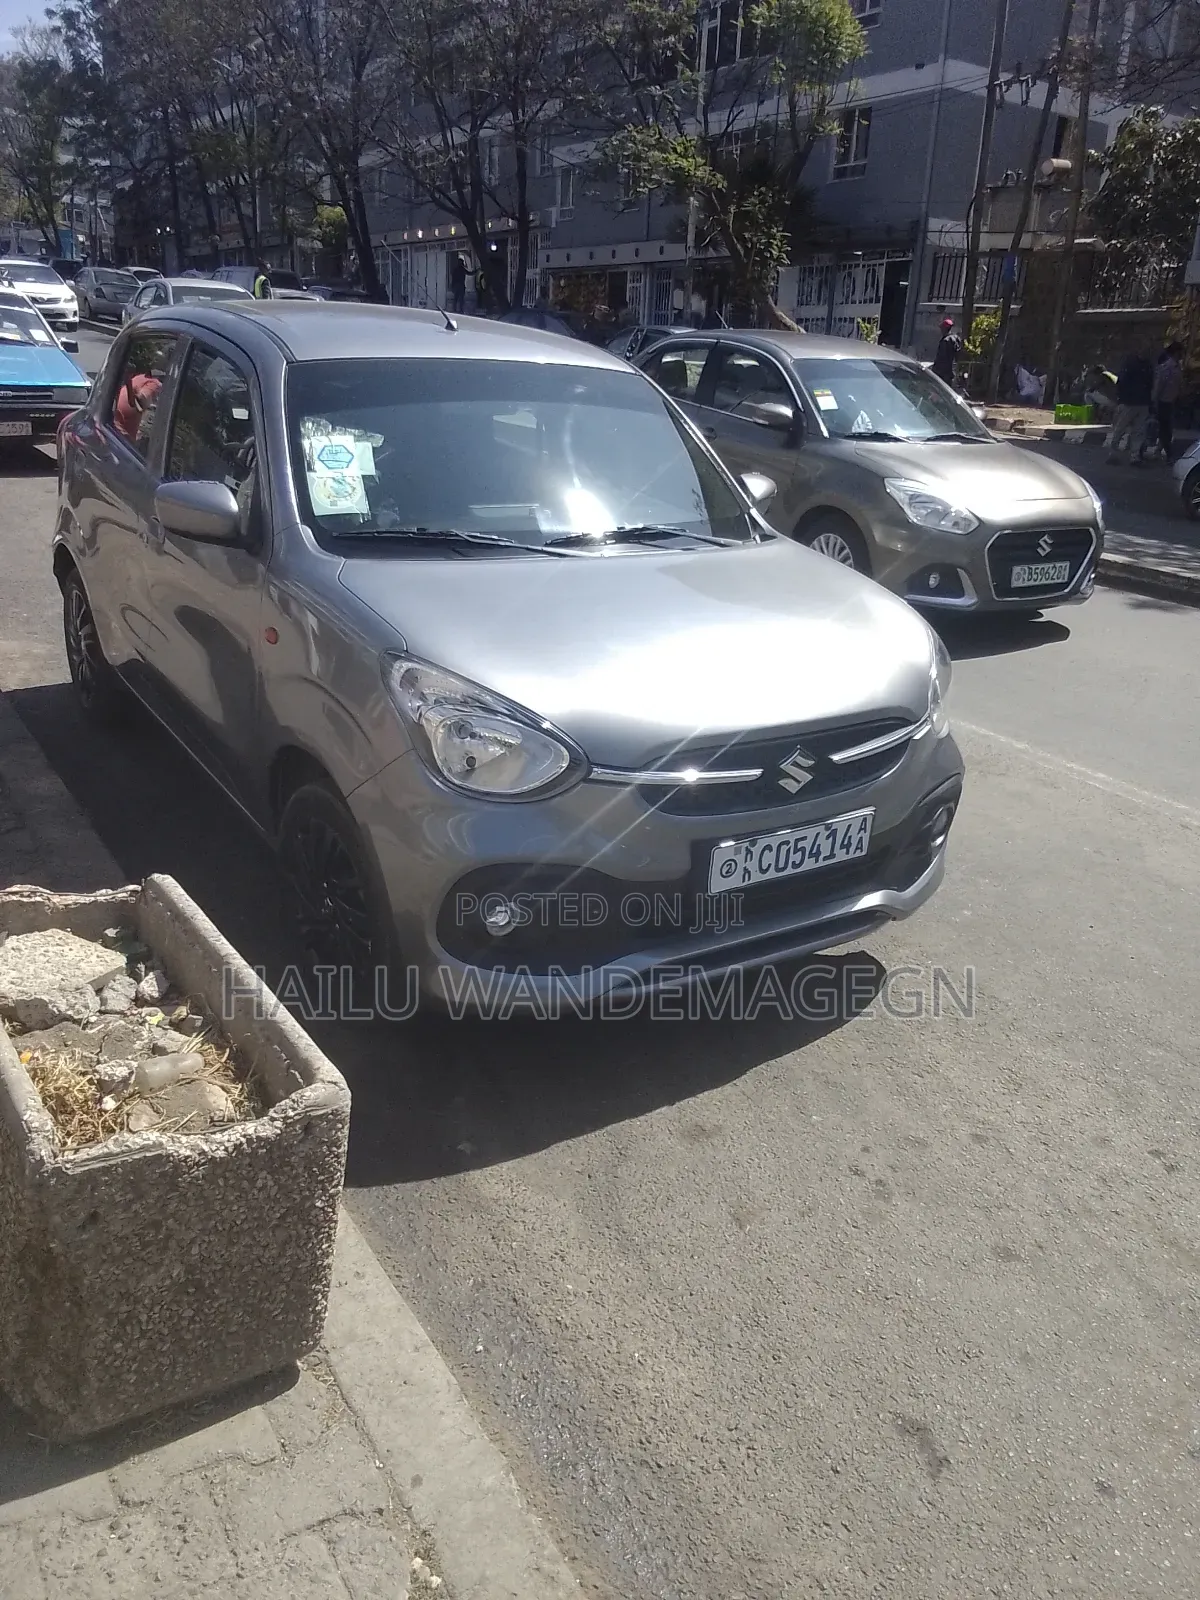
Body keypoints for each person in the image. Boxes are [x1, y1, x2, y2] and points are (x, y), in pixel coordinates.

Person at [1106, 348, 1153, 464]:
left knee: (1136, 430)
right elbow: (1122, 382)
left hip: (1140, 402)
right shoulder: (1133, 365)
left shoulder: (1146, 366)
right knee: (1121, 429)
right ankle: (1115, 453)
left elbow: (1150, 384)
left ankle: (1133, 456)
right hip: (1130, 402)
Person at [1147, 340, 1184, 461]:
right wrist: (1154, 403)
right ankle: (1167, 455)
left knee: (1165, 430)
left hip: (1171, 403)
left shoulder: (1177, 367)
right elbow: (1159, 387)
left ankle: (1158, 452)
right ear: (1176, 352)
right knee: (1163, 431)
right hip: (1163, 403)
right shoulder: (1167, 368)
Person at [932, 317, 960, 384]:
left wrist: (935, 370)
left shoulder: (945, 341)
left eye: (942, 328)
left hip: (943, 373)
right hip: (951, 372)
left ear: (944, 329)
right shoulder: (956, 339)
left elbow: (941, 358)